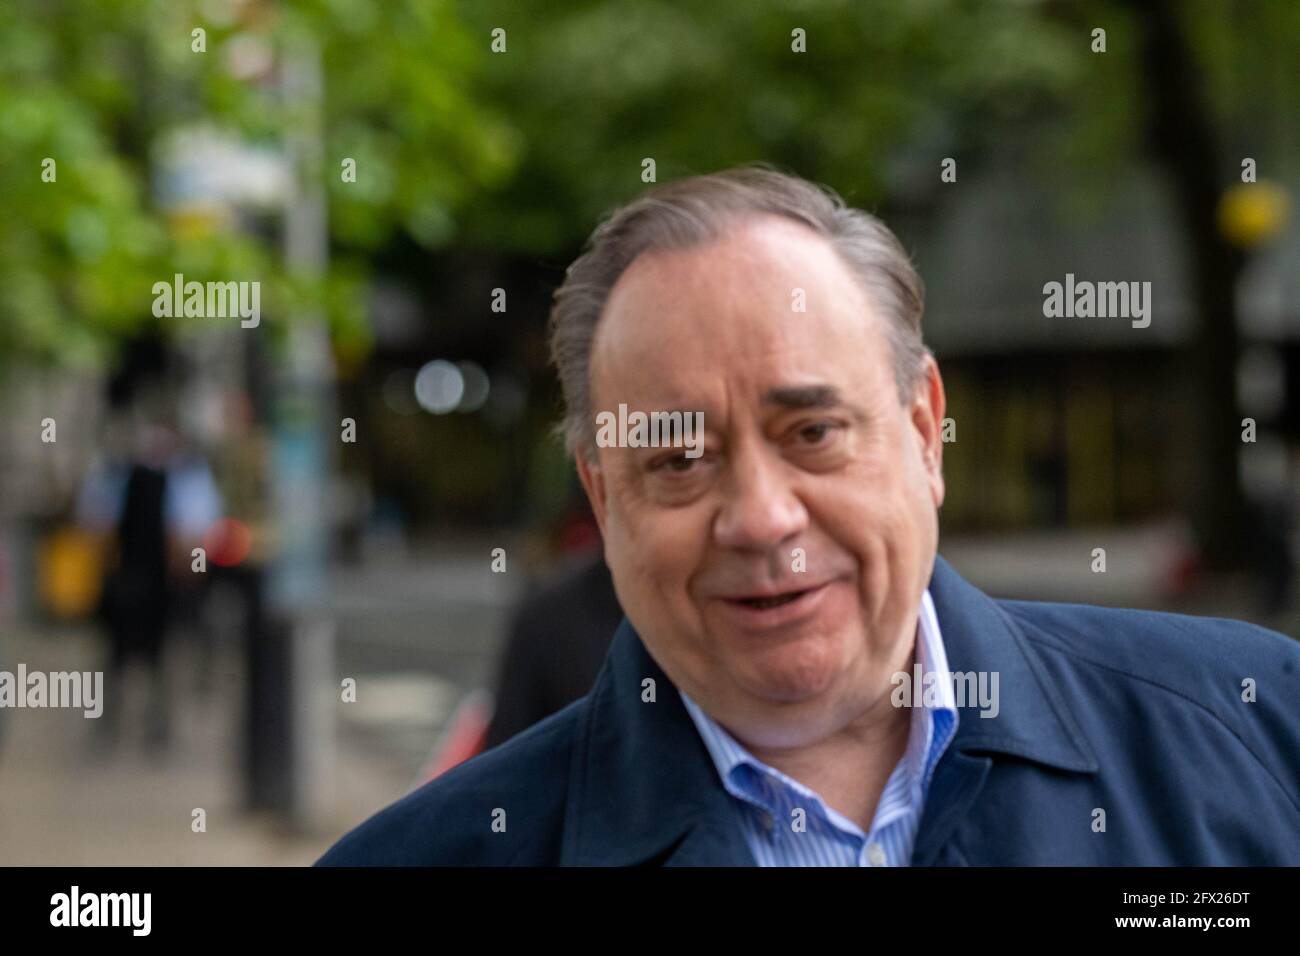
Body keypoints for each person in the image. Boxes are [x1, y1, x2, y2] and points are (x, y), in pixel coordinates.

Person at [318, 164, 1300, 866]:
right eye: (677, 456)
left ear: (923, 429)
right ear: (601, 493)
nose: (758, 516)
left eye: (813, 430)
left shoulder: (1261, 734)